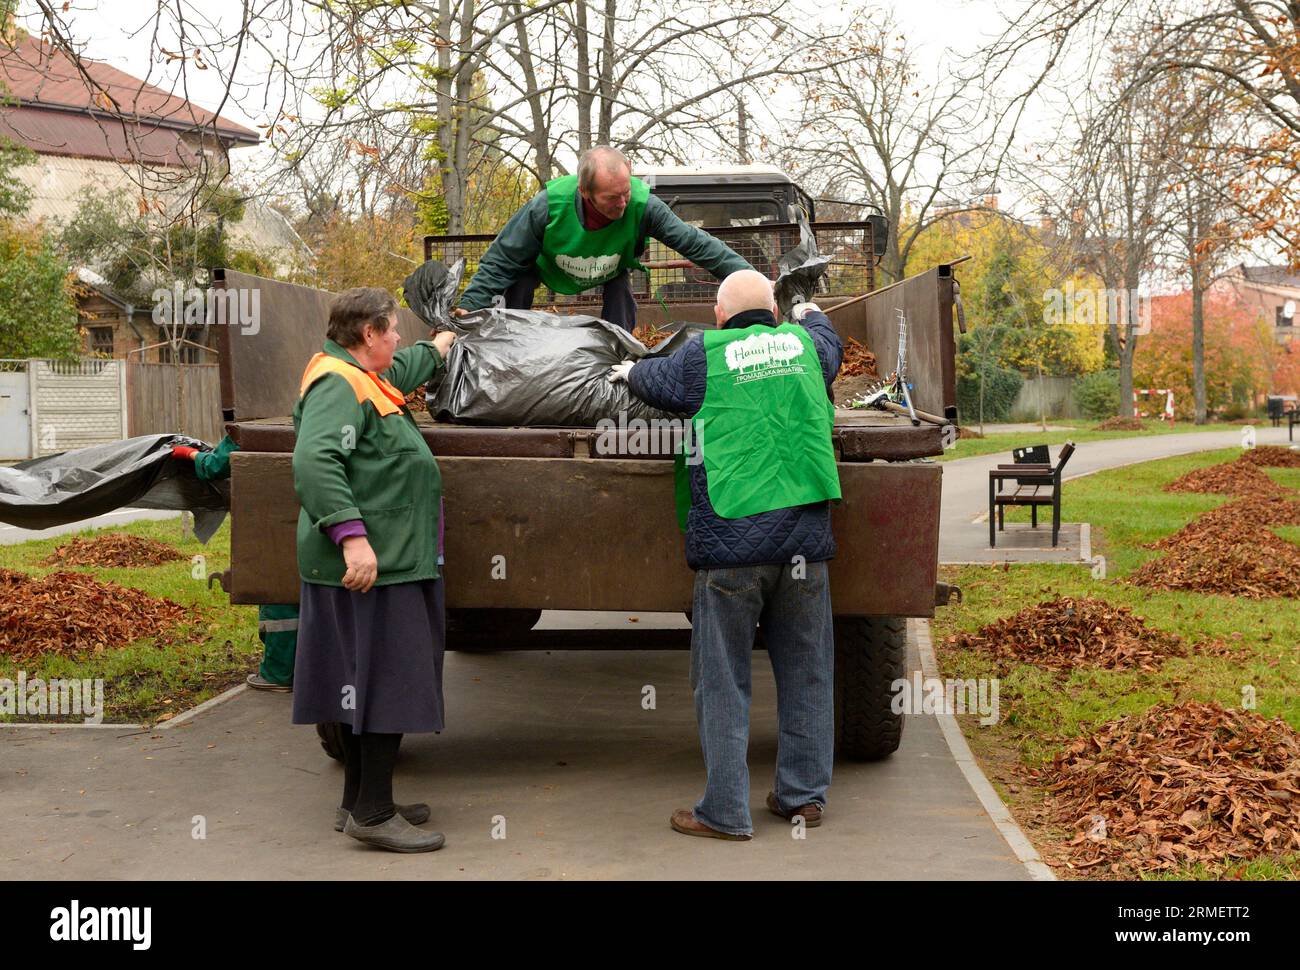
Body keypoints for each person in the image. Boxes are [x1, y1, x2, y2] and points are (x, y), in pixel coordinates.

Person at [609, 269, 843, 840]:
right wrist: (809, 312)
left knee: (723, 679)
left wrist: (627, 369)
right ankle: (802, 798)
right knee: (808, 671)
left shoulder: (701, 356)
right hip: (803, 547)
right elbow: (829, 341)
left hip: (731, 547)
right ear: (774, 314)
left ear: (719, 315)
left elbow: (649, 380)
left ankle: (724, 811)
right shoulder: (807, 347)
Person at [291, 286, 456, 853]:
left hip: (387, 559)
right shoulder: (338, 385)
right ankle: (375, 811)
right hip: (372, 563)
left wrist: (441, 344)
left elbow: (408, 364)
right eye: (393, 330)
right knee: (389, 682)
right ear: (369, 335)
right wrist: (352, 535)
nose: (398, 339)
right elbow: (315, 460)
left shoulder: (363, 374)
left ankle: (355, 801)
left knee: (361, 683)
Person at [455, 146, 751, 331]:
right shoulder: (547, 206)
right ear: (585, 192)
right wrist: (469, 307)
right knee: (517, 278)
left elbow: (696, 243)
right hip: (548, 266)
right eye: (612, 198)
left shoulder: (643, 206)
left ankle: (618, 353)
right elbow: (501, 259)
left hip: (610, 266)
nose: (622, 203)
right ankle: (511, 345)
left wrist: (750, 279)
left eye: (626, 192)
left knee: (621, 287)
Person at [172, 435, 296, 692]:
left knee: (278, 602)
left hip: (271, 526)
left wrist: (190, 455)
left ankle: (278, 674)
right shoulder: (321, 411)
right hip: (319, 521)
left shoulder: (250, 430)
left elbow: (214, 467)